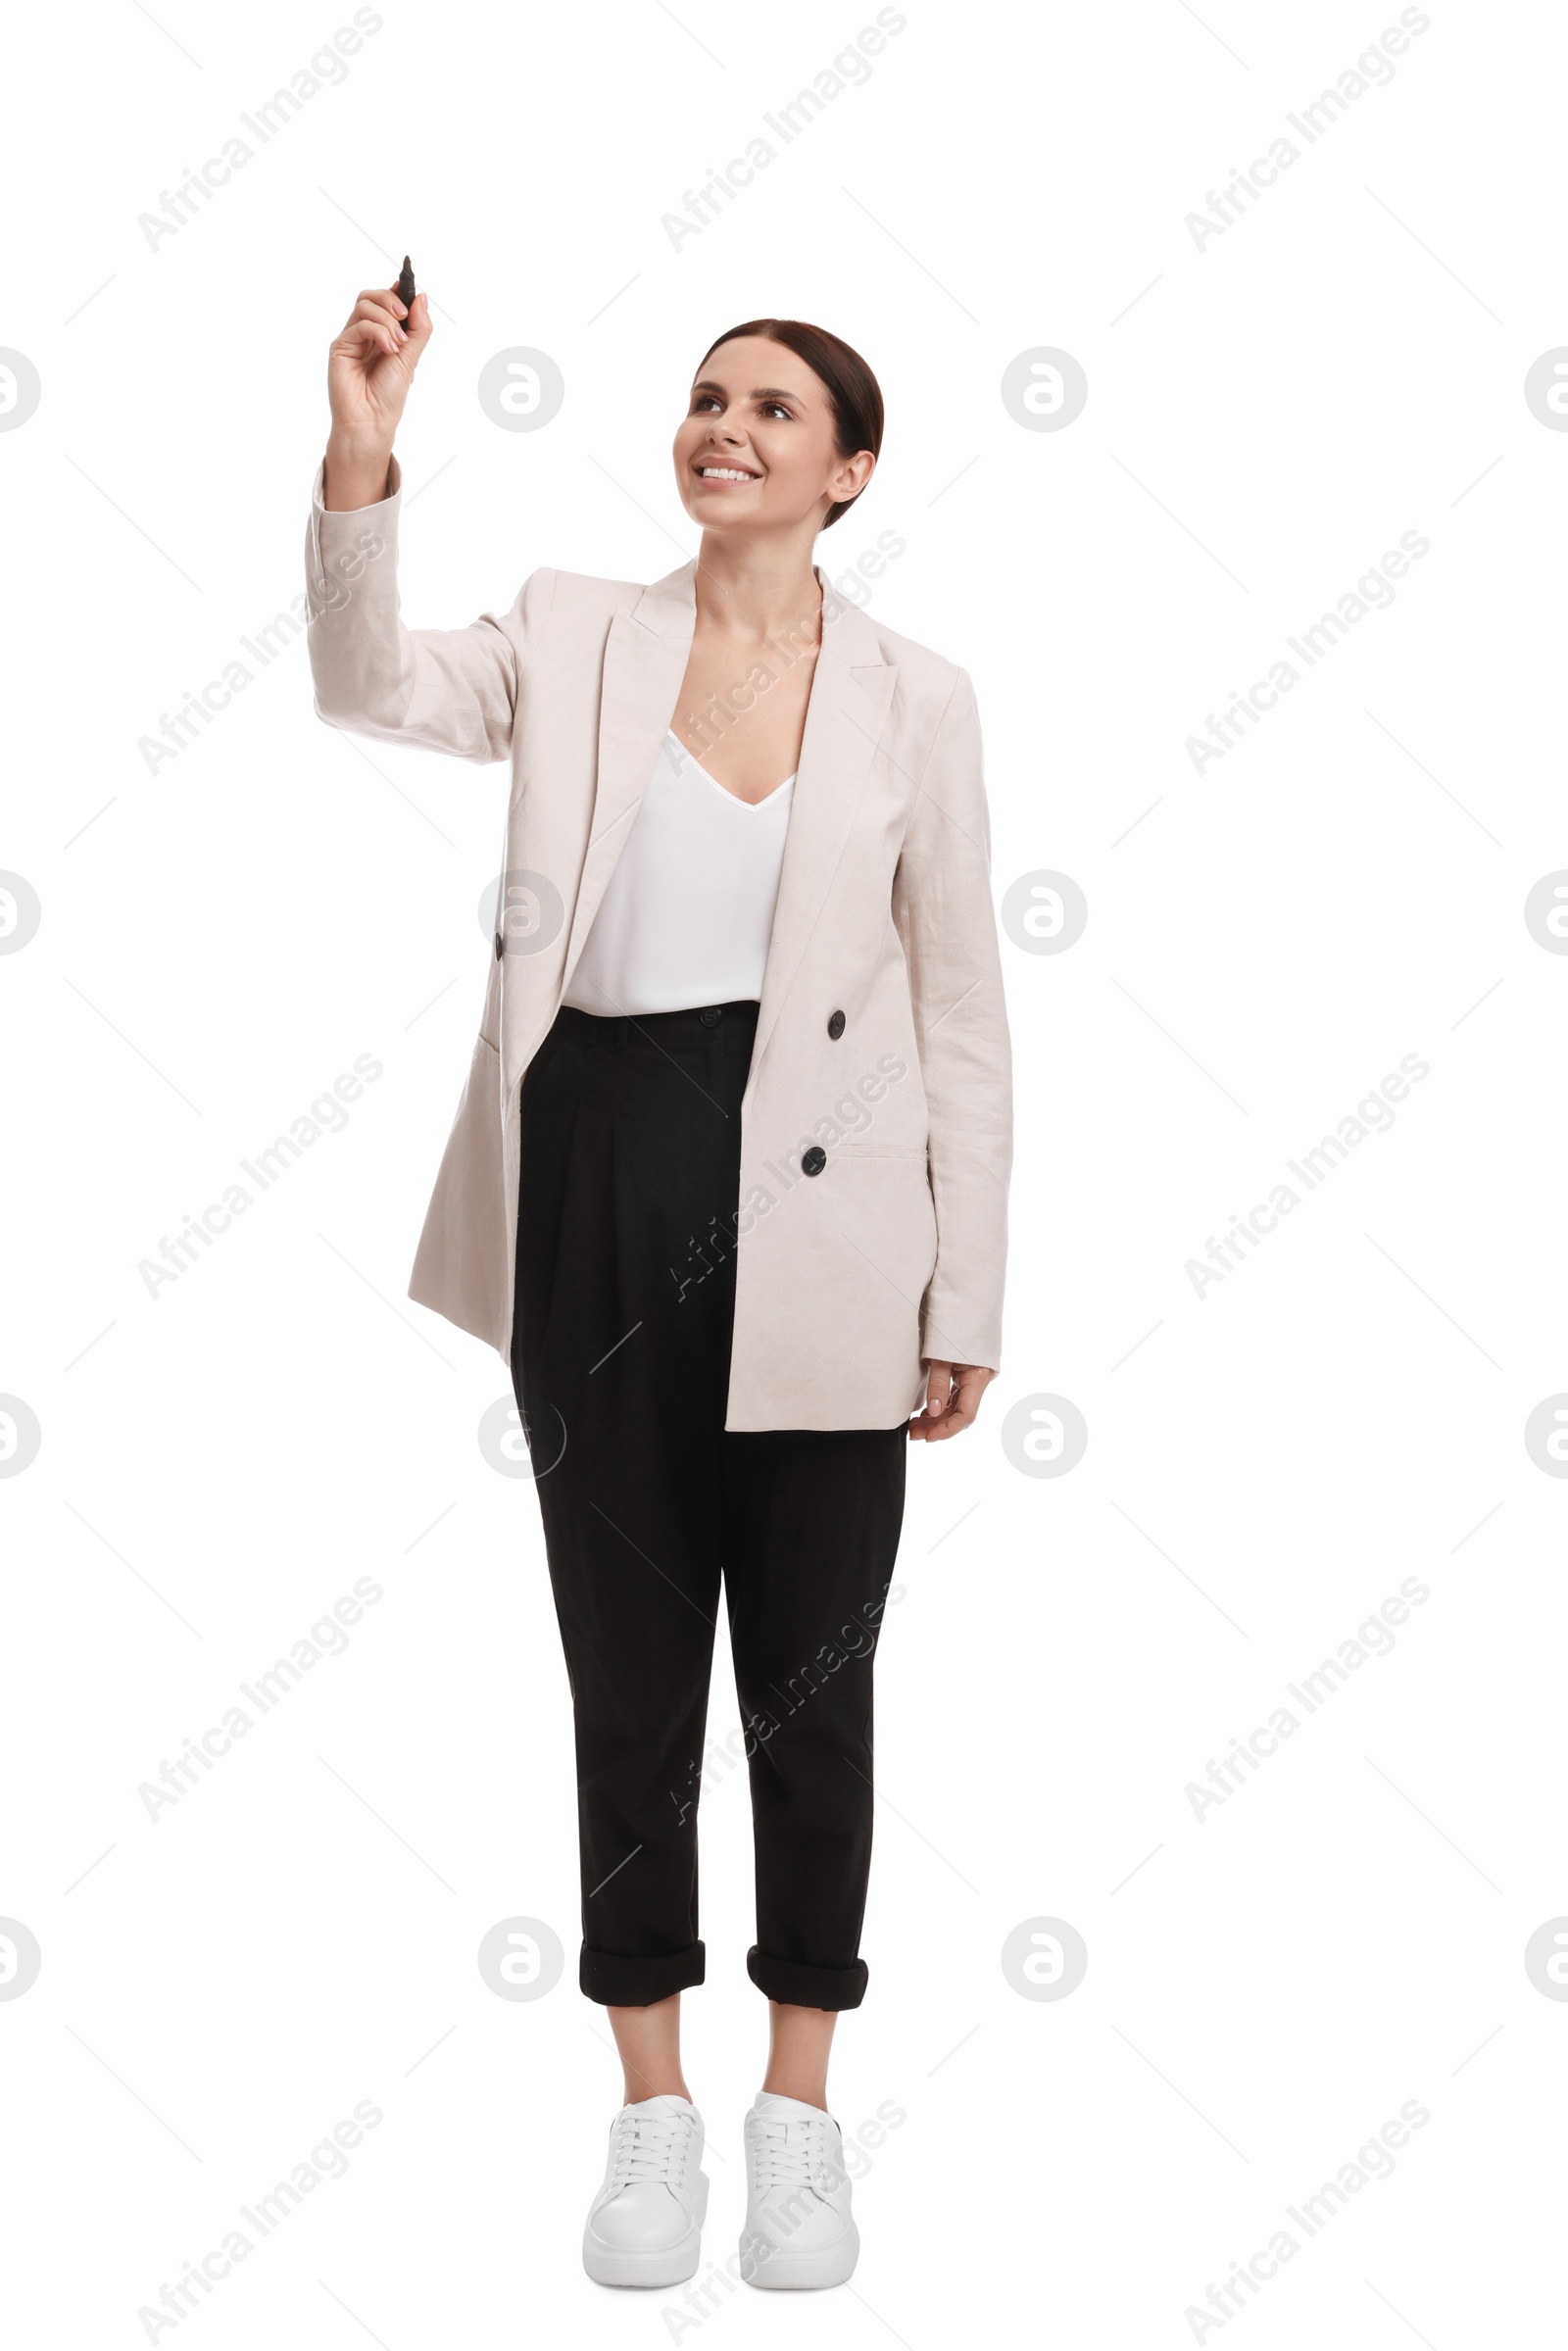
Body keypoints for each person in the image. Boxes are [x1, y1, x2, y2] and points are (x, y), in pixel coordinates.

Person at [305, 282, 1011, 2291]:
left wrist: (964, 1285)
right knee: (625, 1674)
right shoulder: (575, 629)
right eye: (705, 398)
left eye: (772, 408)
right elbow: (365, 680)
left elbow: (961, 1007)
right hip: (597, 1187)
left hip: (833, 1227)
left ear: (845, 470)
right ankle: (649, 2111)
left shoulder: (920, 696)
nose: (723, 427)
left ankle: (799, 2109)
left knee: (812, 1674)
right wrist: (365, 444)